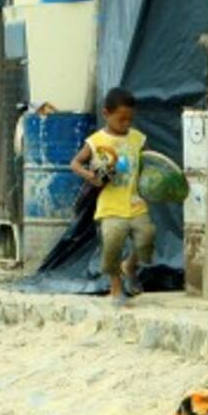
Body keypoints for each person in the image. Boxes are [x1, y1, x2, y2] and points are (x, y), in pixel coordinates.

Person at [69, 87, 155, 306]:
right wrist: (92, 176)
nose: (126, 123)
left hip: (136, 202)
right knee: (112, 247)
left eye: (130, 119)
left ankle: (130, 266)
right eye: (121, 119)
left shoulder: (138, 139)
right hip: (110, 206)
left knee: (147, 238)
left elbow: (152, 161)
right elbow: (75, 163)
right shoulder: (96, 141)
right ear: (106, 114)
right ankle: (116, 289)